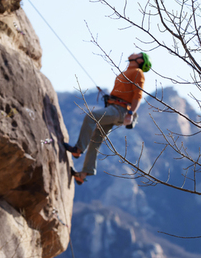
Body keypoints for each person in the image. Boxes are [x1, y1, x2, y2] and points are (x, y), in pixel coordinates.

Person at [64, 52, 151, 185]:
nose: (134, 52)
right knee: (96, 139)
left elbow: (138, 95)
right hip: (115, 108)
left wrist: (130, 113)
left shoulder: (138, 72)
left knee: (91, 117)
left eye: (138, 53)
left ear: (140, 60)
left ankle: (78, 149)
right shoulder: (127, 72)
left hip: (120, 111)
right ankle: (84, 174)